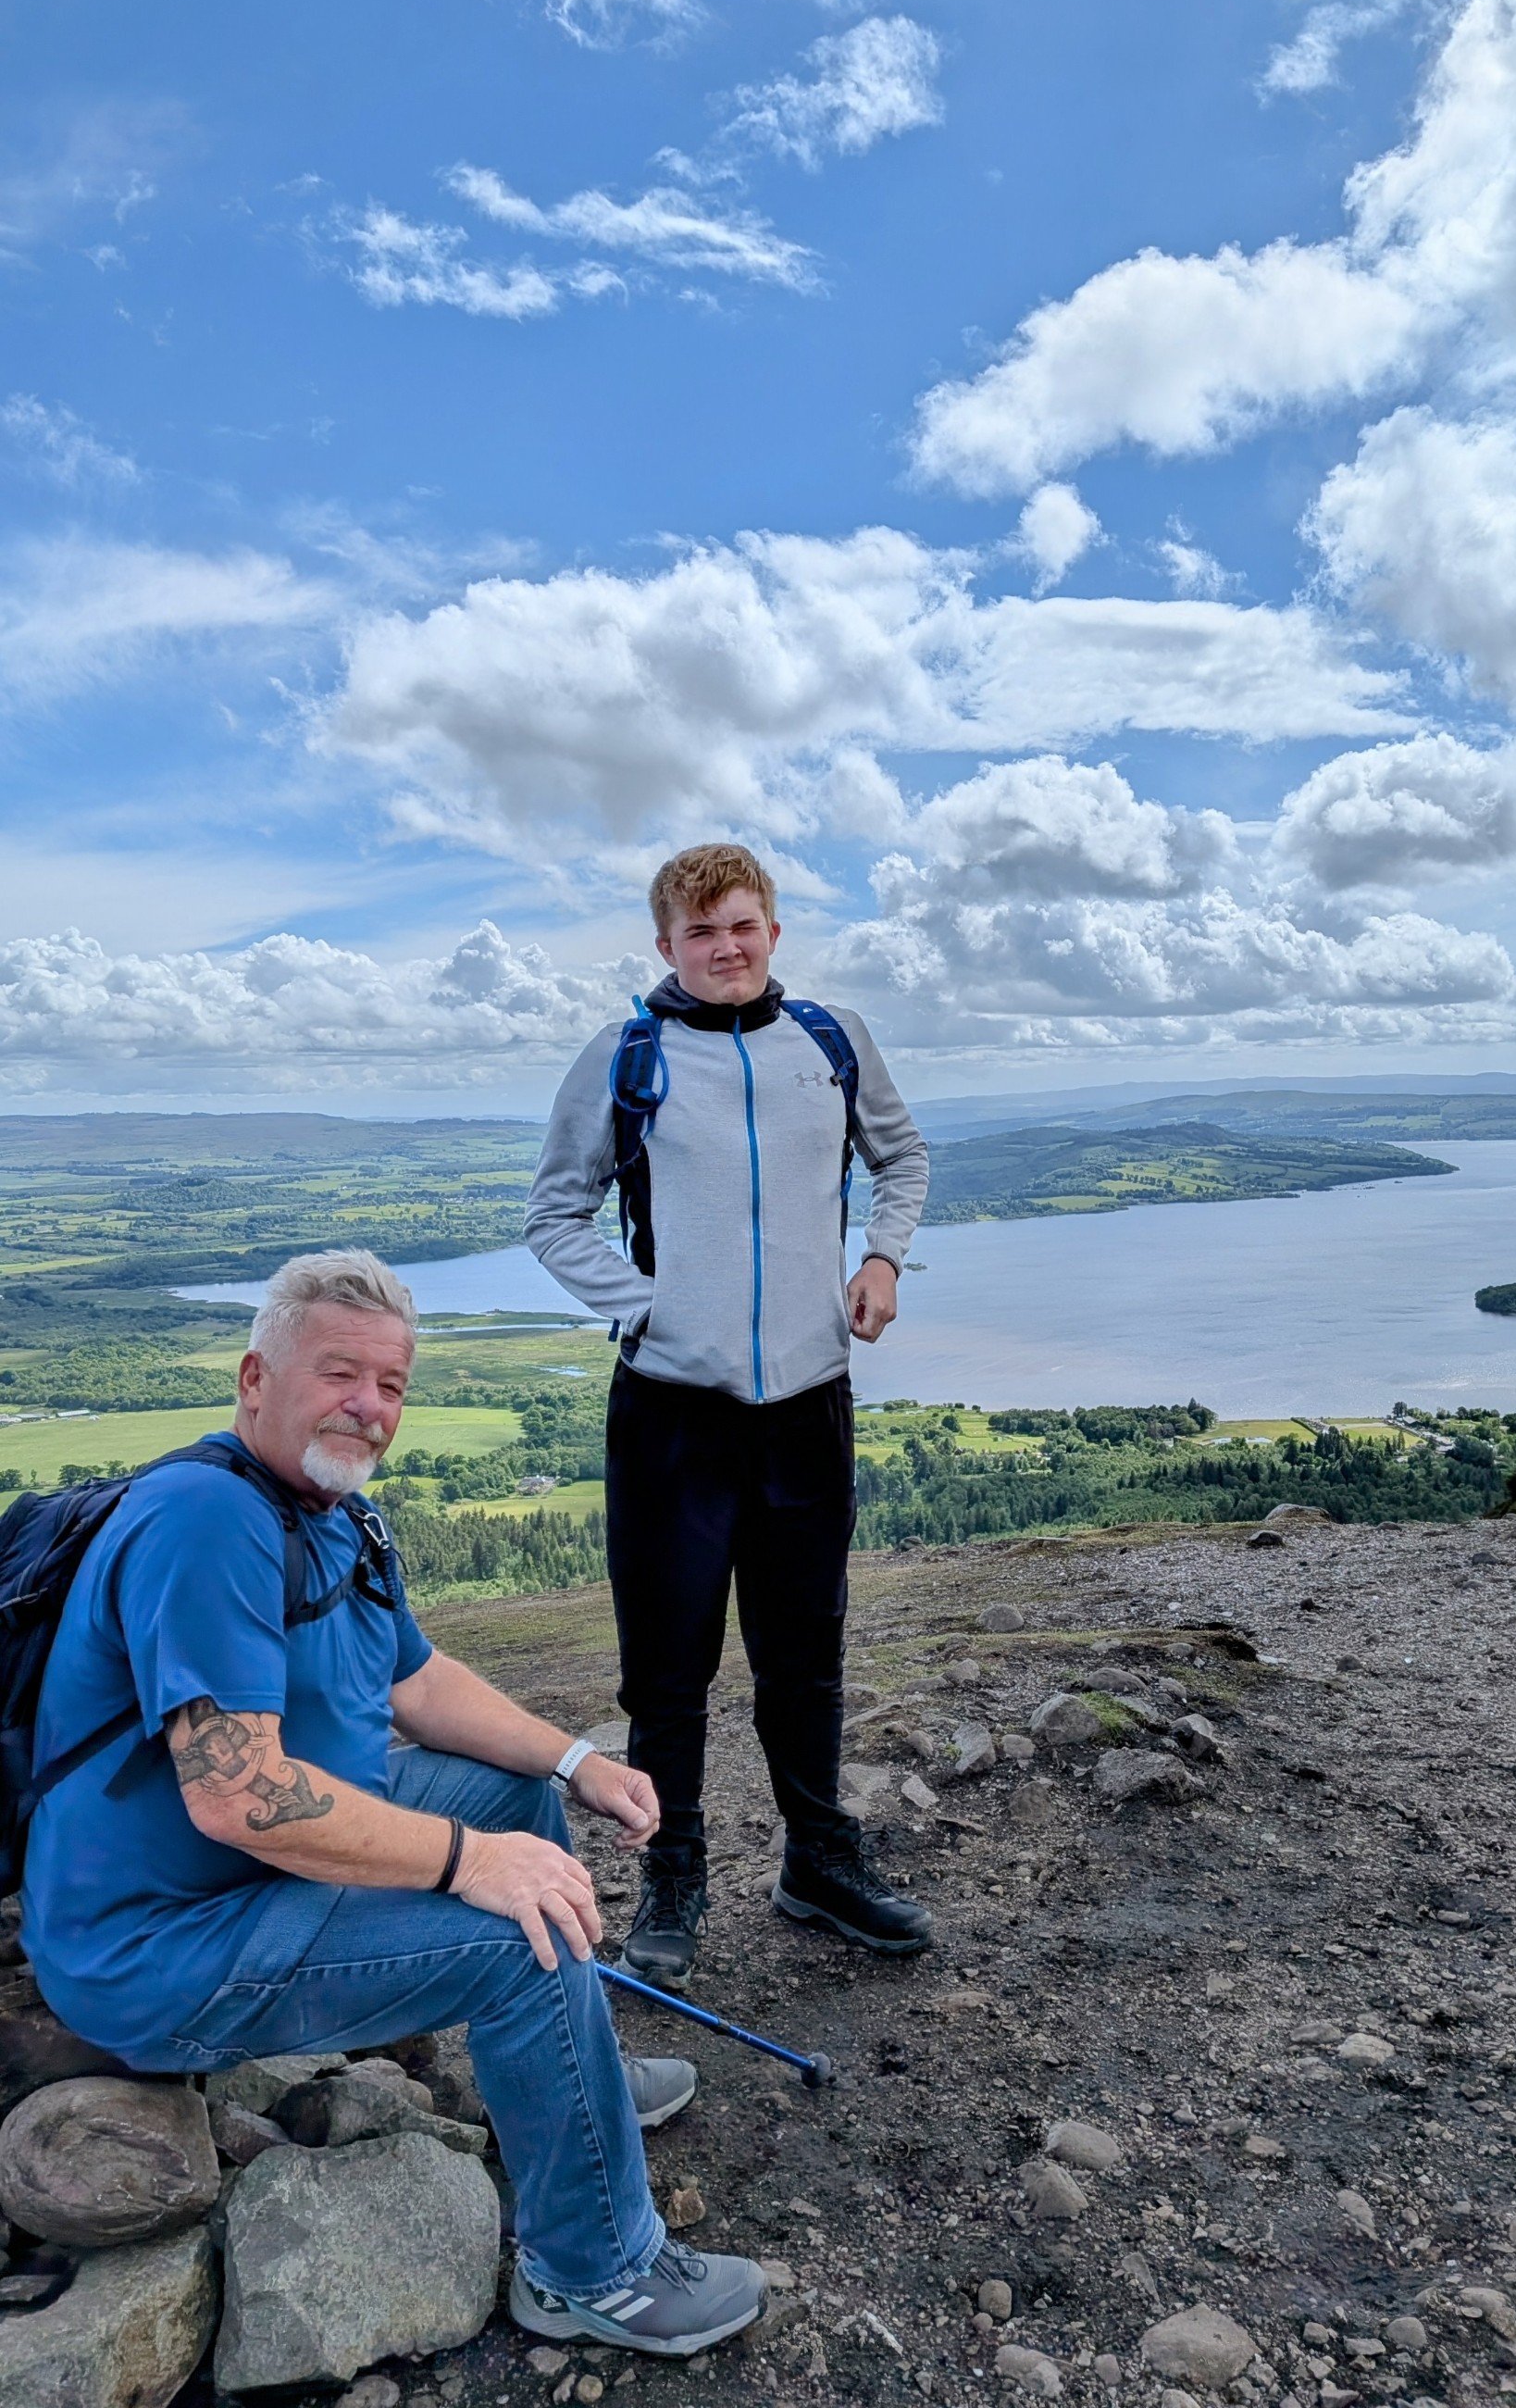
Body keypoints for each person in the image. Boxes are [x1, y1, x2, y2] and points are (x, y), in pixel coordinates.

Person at [20, 1249, 768, 2358]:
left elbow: (413, 1680)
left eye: (391, 1385)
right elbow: (240, 1796)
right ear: (253, 1377)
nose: (368, 1407)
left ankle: (569, 2068)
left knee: (514, 1802)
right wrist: (468, 1860)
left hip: (255, 1878)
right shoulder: (205, 1519)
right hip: (161, 1941)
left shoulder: (327, 1512)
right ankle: (590, 2270)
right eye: (338, 1374)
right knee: (517, 1932)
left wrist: (573, 1762)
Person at [527, 842, 932, 1989]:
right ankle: (674, 1871)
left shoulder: (833, 1042)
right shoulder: (626, 1055)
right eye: (703, 932)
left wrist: (885, 1260)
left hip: (808, 1400)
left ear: (774, 931)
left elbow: (901, 1158)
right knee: (668, 1667)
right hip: (671, 1412)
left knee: (803, 1651)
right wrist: (649, 1306)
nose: (728, 947)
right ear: (667, 945)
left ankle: (817, 1860)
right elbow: (556, 1213)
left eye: (744, 926)